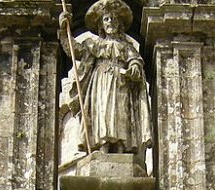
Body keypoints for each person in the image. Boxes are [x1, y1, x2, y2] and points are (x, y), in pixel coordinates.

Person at [58, 0, 152, 156]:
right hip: (100, 82)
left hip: (121, 83)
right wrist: (63, 32)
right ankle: (102, 146)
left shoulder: (126, 46)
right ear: (101, 24)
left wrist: (134, 68)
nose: (110, 22)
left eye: (114, 19)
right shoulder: (93, 44)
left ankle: (121, 148)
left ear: (120, 23)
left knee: (121, 113)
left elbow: (135, 60)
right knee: (102, 112)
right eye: (106, 19)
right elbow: (75, 51)